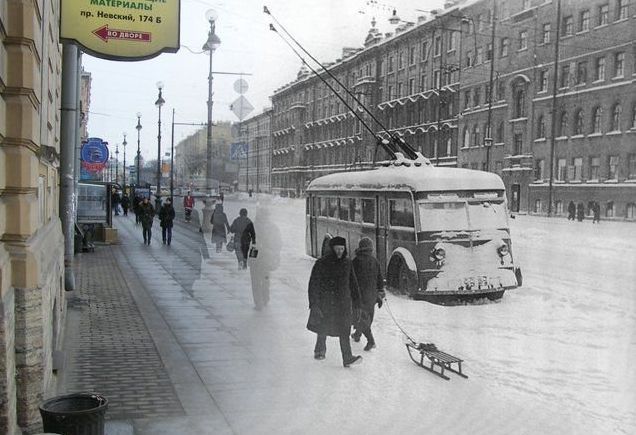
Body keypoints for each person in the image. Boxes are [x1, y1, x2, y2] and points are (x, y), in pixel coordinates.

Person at [307, 236, 362, 368]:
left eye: (342, 249)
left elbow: (353, 284)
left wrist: (357, 304)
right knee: (323, 326)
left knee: (344, 330)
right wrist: (314, 304)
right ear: (332, 249)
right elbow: (313, 285)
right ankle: (320, 350)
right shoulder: (321, 263)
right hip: (326, 303)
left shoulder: (347, 263)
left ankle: (347, 358)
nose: (339, 252)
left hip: (343, 304)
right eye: (337, 249)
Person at [351, 237, 385, 351]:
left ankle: (371, 341)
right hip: (372, 296)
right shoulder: (375, 261)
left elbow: (351, 279)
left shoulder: (355, 261)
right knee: (367, 317)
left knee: (360, 318)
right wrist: (380, 292)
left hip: (359, 296)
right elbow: (380, 278)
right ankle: (357, 335)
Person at [247, 205, 281, 309]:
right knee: (266, 279)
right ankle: (265, 299)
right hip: (266, 257)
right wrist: (274, 253)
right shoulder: (273, 227)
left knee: (256, 281)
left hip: (256, 257)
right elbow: (278, 243)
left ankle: (258, 302)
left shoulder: (252, 226)